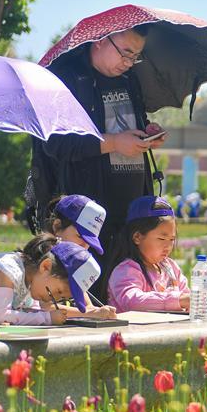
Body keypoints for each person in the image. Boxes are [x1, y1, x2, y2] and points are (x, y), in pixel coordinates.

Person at [26, 24, 167, 269]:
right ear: (101, 39)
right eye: (125, 52)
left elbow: (130, 123)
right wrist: (114, 142)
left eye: (135, 56)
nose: (129, 62)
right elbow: (57, 144)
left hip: (131, 213)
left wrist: (148, 132)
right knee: (92, 297)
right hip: (86, 219)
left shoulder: (129, 78)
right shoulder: (66, 78)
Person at [0, 236, 104, 324]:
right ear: (45, 267)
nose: (53, 300)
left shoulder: (34, 281)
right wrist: (47, 319)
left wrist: (91, 313)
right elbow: (2, 315)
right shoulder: (10, 270)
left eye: (62, 298)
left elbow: (35, 312)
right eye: (58, 291)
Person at [107, 196, 189, 313]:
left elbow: (187, 296)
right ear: (137, 237)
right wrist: (178, 300)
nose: (168, 246)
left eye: (172, 239)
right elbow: (132, 301)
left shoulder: (171, 267)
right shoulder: (126, 270)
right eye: (162, 239)